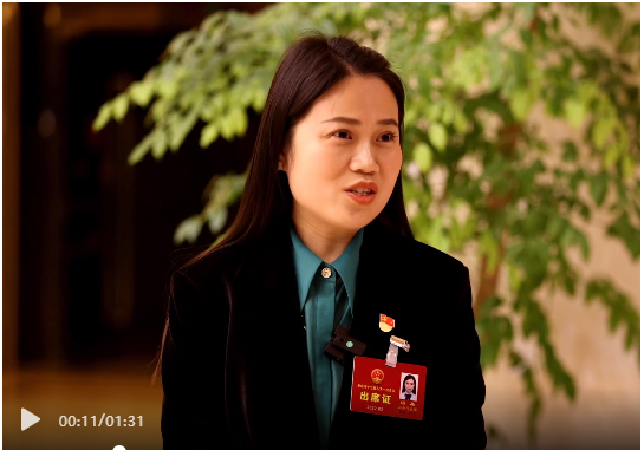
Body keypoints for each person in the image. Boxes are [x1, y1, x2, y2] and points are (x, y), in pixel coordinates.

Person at [157, 33, 487, 450]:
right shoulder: (207, 293)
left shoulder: (437, 289)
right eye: (342, 134)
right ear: (281, 148)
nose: (367, 162)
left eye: (386, 137)